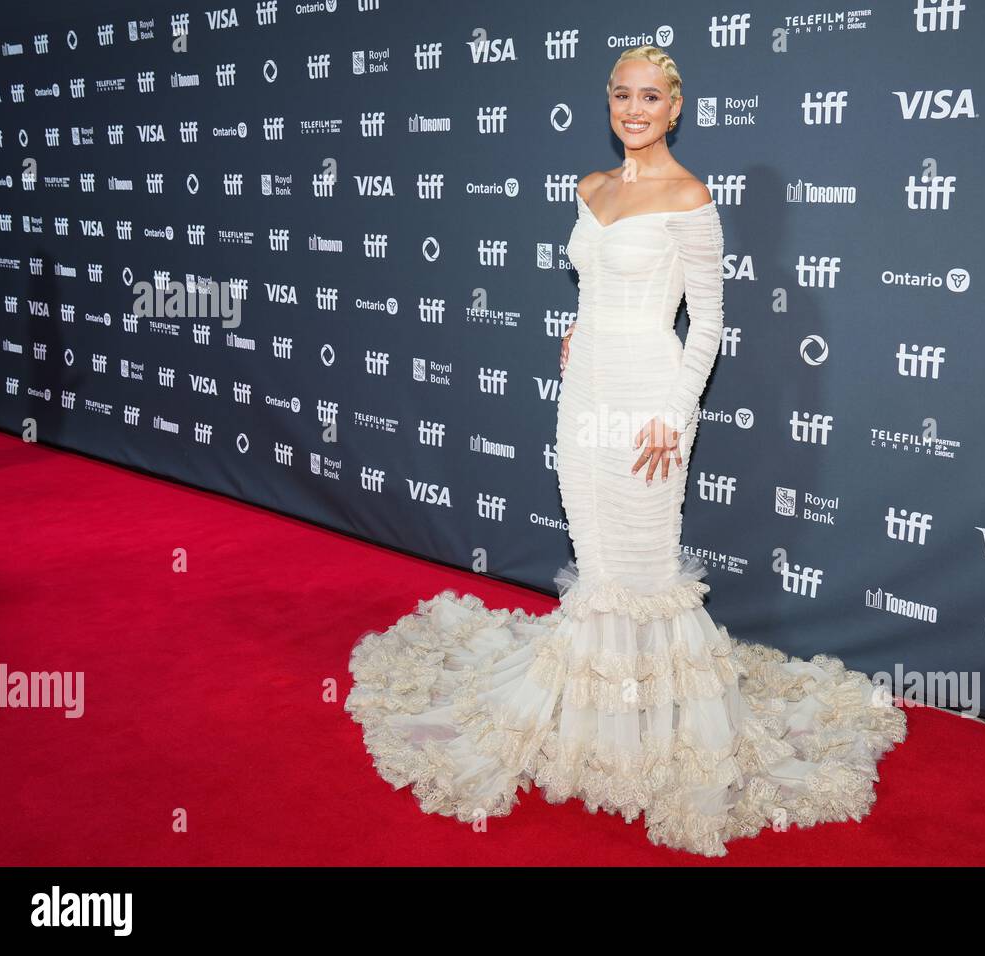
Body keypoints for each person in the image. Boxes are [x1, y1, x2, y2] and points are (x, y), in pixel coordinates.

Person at [345, 45, 907, 858]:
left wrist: (673, 418)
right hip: (585, 396)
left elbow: (707, 324)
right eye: (621, 95)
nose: (634, 109)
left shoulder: (691, 199)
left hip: (648, 402)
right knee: (599, 560)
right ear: (607, 102)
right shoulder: (591, 189)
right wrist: (579, 327)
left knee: (643, 571)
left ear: (675, 108)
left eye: (650, 97)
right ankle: (593, 718)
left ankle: (652, 729)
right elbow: (600, 283)